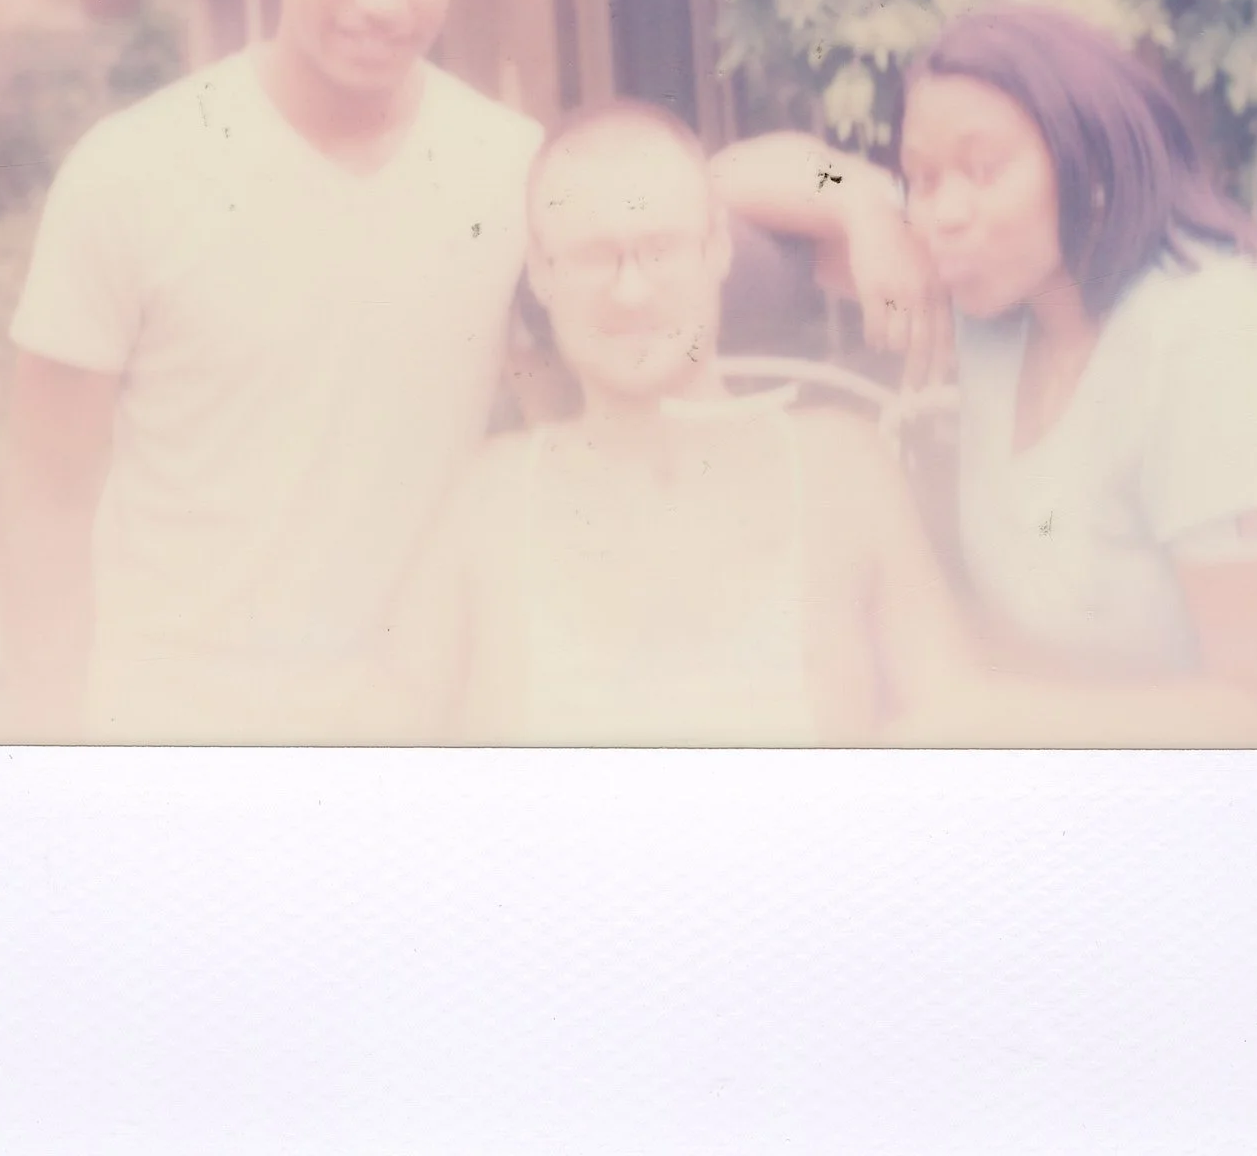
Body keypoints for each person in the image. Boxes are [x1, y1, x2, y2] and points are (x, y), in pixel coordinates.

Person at [0, 0, 934, 745]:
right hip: (179, 733)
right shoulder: (130, 174)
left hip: (416, 731)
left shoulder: (509, 170)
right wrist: (49, 746)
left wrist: (863, 195)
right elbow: (47, 493)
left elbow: (703, 180)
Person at [895, 4, 1257, 748]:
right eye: (918, 177)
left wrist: (989, 718)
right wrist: (848, 204)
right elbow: (751, 182)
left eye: (981, 169)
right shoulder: (998, 298)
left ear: (1091, 162)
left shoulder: (1219, 352)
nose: (939, 211)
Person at [372, 102, 1007, 746]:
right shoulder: (494, 496)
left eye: (659, 249)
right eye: (594, 256)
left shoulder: (838, 468)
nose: (631, 292)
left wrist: (866, 205)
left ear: (718, 251)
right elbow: (386, 725)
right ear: (541, 273)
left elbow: (958, 719)